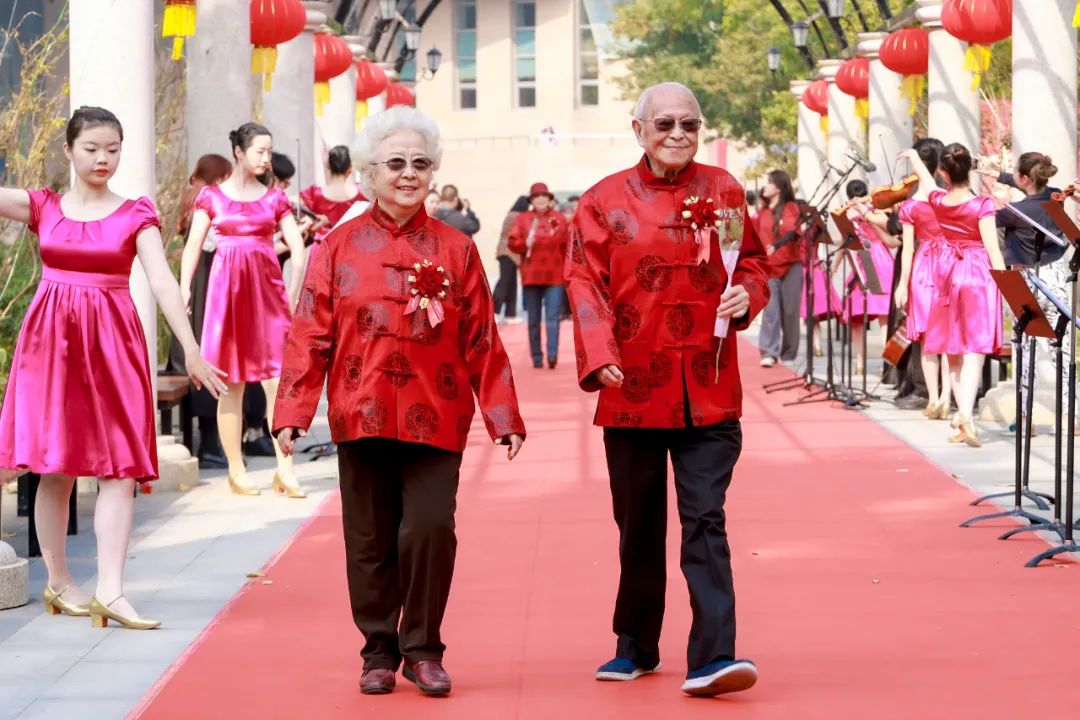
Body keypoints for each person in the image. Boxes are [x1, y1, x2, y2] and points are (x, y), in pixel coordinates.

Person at [272, 106, 526, 698]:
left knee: (431, 528)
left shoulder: (457, 249)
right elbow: (310, 333)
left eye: (420, 163)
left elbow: (482, 338)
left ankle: (424, 648)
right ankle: (379, 650)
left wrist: (502, 415)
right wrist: (292, 412)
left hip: (438, 413)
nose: (408, 173)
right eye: (395, 163)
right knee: (369, 538)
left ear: (433, 172)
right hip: (359, 411)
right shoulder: (336, 247)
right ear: (369, 172)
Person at [565, 82, 769, 697]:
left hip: (709, 385)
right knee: (639, 523)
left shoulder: (725, 191)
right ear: (639, 130)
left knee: (705, 517)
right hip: (632, 388)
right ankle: (635, 644)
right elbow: (584, 282)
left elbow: (752, 262)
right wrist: (599, 355)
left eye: (689, 124)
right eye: (665, 124)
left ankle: (714, 656)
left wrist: (748, 295)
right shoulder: (602, 201)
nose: (678, 134)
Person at [0, 106, 227, 629]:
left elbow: (163, 282)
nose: (103, 158)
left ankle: (111, 591)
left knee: (119, 467)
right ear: (68, 151)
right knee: (54, 467)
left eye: (112, 149)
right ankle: (60, 582)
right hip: (50, 346)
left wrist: (191, 348)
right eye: (91, 148)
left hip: (112, 346)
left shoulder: (135, 214)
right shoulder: (43, 206)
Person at [179, 123, 308, 495]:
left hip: (268, 297)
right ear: (239, 152)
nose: (267, 158)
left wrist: (292, 296)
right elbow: (192, 247)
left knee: (278, 382)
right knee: (231, 383)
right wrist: (183, 289)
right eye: (260, 151)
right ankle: (236, 470)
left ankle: (285, 469)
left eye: (269, 151)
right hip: (227, 297)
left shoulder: (275, 198)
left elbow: (298, 250)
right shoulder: (211, 198)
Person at [902, 143, 1005, 447]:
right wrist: (1007, 286)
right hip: (978, 273)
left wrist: (913, 157)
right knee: (975, 349)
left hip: (947, 273)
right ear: (970, 169)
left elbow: (927, 181)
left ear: (944, 173)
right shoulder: (982, 204)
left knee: (953, 350)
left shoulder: (938, 200)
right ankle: (966, 417)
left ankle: (964, 418)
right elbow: (993, 250)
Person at [983, 152, 1071, 430]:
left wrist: (990, 191)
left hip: (1027, 280)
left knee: (1025, 348)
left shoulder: (1013, 212)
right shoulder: (1056, 197)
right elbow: (1031, 186)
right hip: (1055, 277)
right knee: (1063, 351)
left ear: (1024, 178)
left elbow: (987, 220)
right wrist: (999, 175)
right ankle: (1073, 415)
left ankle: (1024, 417)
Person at [168, 153, 232, 468]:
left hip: (198, 288)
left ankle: (210, 443)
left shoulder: (192, 197)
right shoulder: (206, 202)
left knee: (205, 359)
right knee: (209, 359)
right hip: (206, 288)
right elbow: (213, 244)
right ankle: (209, 444)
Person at [895, 138, 950, 417]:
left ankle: (933, 398)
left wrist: (902, 285)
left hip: (923, 266)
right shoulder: (948, 195)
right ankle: (946, 397)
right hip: (950, 263)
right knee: (949, 337)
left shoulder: (911, 203)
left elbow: (907, 249)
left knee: (927, 338)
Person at [837, 179, 898, 375]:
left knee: (858, 317)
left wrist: (835, 266)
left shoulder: (849, 215)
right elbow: (890, 238)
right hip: (881, 261)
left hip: (864, 262)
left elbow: (844, 244)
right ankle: (886, 364)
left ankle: (860, 363)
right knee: (884, 319)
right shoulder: (876, 211)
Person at [508, 182, 570, 368]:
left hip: (555, 276)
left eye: (544, 196)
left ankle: (552, 355)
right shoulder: (523, 219)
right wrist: (523, 244)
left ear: (550, 199)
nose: (541, 199)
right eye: (537, 196)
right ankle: (536, 357)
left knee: (553, 317)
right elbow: (512, 243)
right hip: (531, 276)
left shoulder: (559, 218)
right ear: (531, 200)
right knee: (533, 320)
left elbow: (568, 245)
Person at [756, 169, 801, 367]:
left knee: (790, 312)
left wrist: (776, 245)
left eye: (769, 182)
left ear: (779, 188)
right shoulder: (763, 212)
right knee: (770, 311)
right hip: (769, 268)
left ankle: (789, 353)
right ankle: (769, 352)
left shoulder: (790, 208)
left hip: (791, 266)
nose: (765, 186)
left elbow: (792, 232)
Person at [300, 144, 365, 244]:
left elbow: (287, 203)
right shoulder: (362, 193)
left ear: (329, 166)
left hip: (322, 247)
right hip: (351, 247)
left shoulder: (315, 193)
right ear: (350, 169)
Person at [494, 195, 528, 324]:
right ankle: (493, 311)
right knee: (505, 282)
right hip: (508, 251)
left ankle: (510, 314)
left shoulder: (511, 214)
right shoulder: (518, 217)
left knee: (512, 283)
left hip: (506, 251)